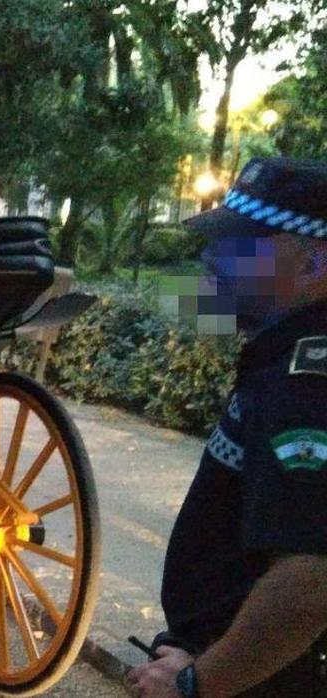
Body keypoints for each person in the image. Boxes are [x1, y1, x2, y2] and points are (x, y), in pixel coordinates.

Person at [126, 158, 327, 698]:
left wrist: (195, 685)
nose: (215, 257)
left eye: (245, 245)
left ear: (314, 262)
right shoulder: (279, 358)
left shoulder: (305, 385)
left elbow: (308, 582)